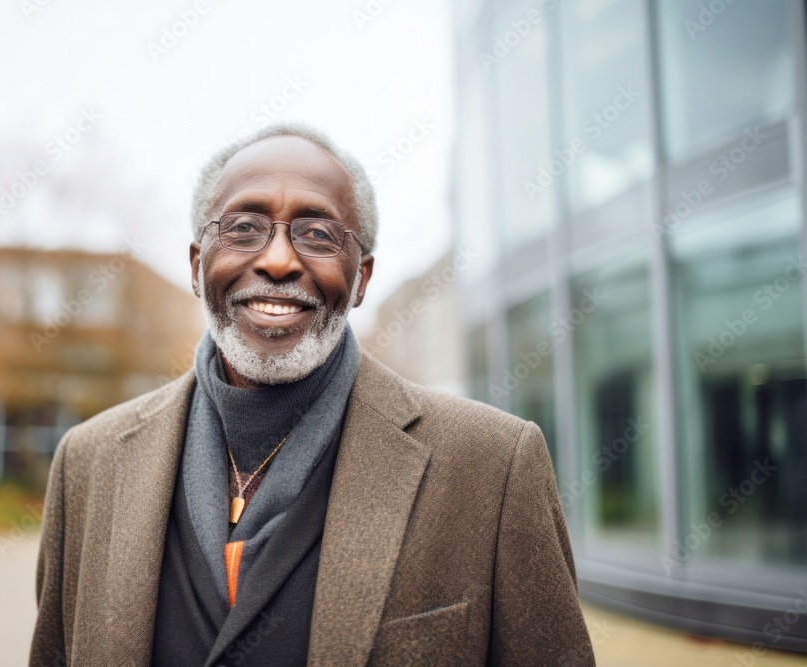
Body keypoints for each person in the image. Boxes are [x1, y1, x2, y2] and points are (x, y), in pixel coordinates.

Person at [30, 122, 595, 666]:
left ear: (361, 279)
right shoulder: (88, 464)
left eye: (318, 234)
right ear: (199, 267)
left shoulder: (493, 466)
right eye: (244, 227)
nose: (278, 260)